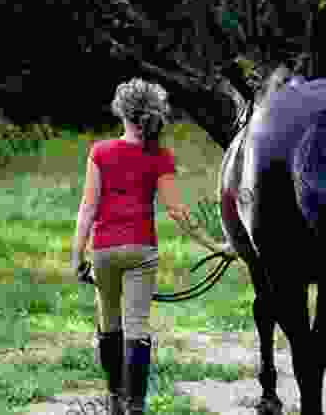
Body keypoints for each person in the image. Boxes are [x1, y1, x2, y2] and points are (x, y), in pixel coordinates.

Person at [70, 77, 235, 414]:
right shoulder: (159, 156)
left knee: (109, 325)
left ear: (122, 112)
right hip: (141, 252)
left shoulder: (99, 153)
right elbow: (177, 211)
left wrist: (76, 256)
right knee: (137, 328)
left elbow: (87, 209)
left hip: (103, 251)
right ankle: (135, 407)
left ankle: (115, 398)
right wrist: (214, 245)